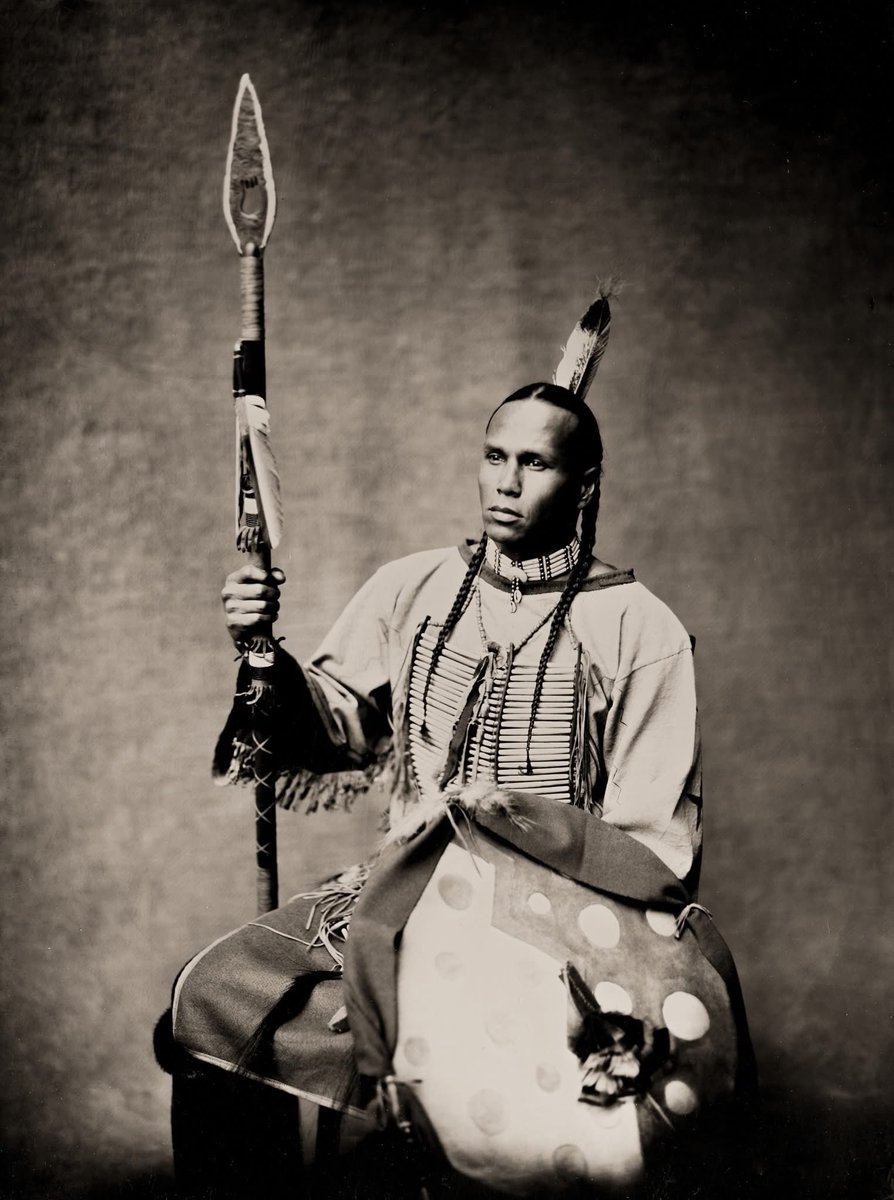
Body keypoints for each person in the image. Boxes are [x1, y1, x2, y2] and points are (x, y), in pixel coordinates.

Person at [163, 297, 752, 1199]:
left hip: (557, 926)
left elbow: (654, 846)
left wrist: (510, 837)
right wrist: (264, 655)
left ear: (584, 484)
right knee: (209, 999)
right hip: (395, 897)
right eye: (493, 456)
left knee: (501, 1100)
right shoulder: (418, 587)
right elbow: (339, 727)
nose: (505, 484)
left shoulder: (642, 629)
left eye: (535, 463)